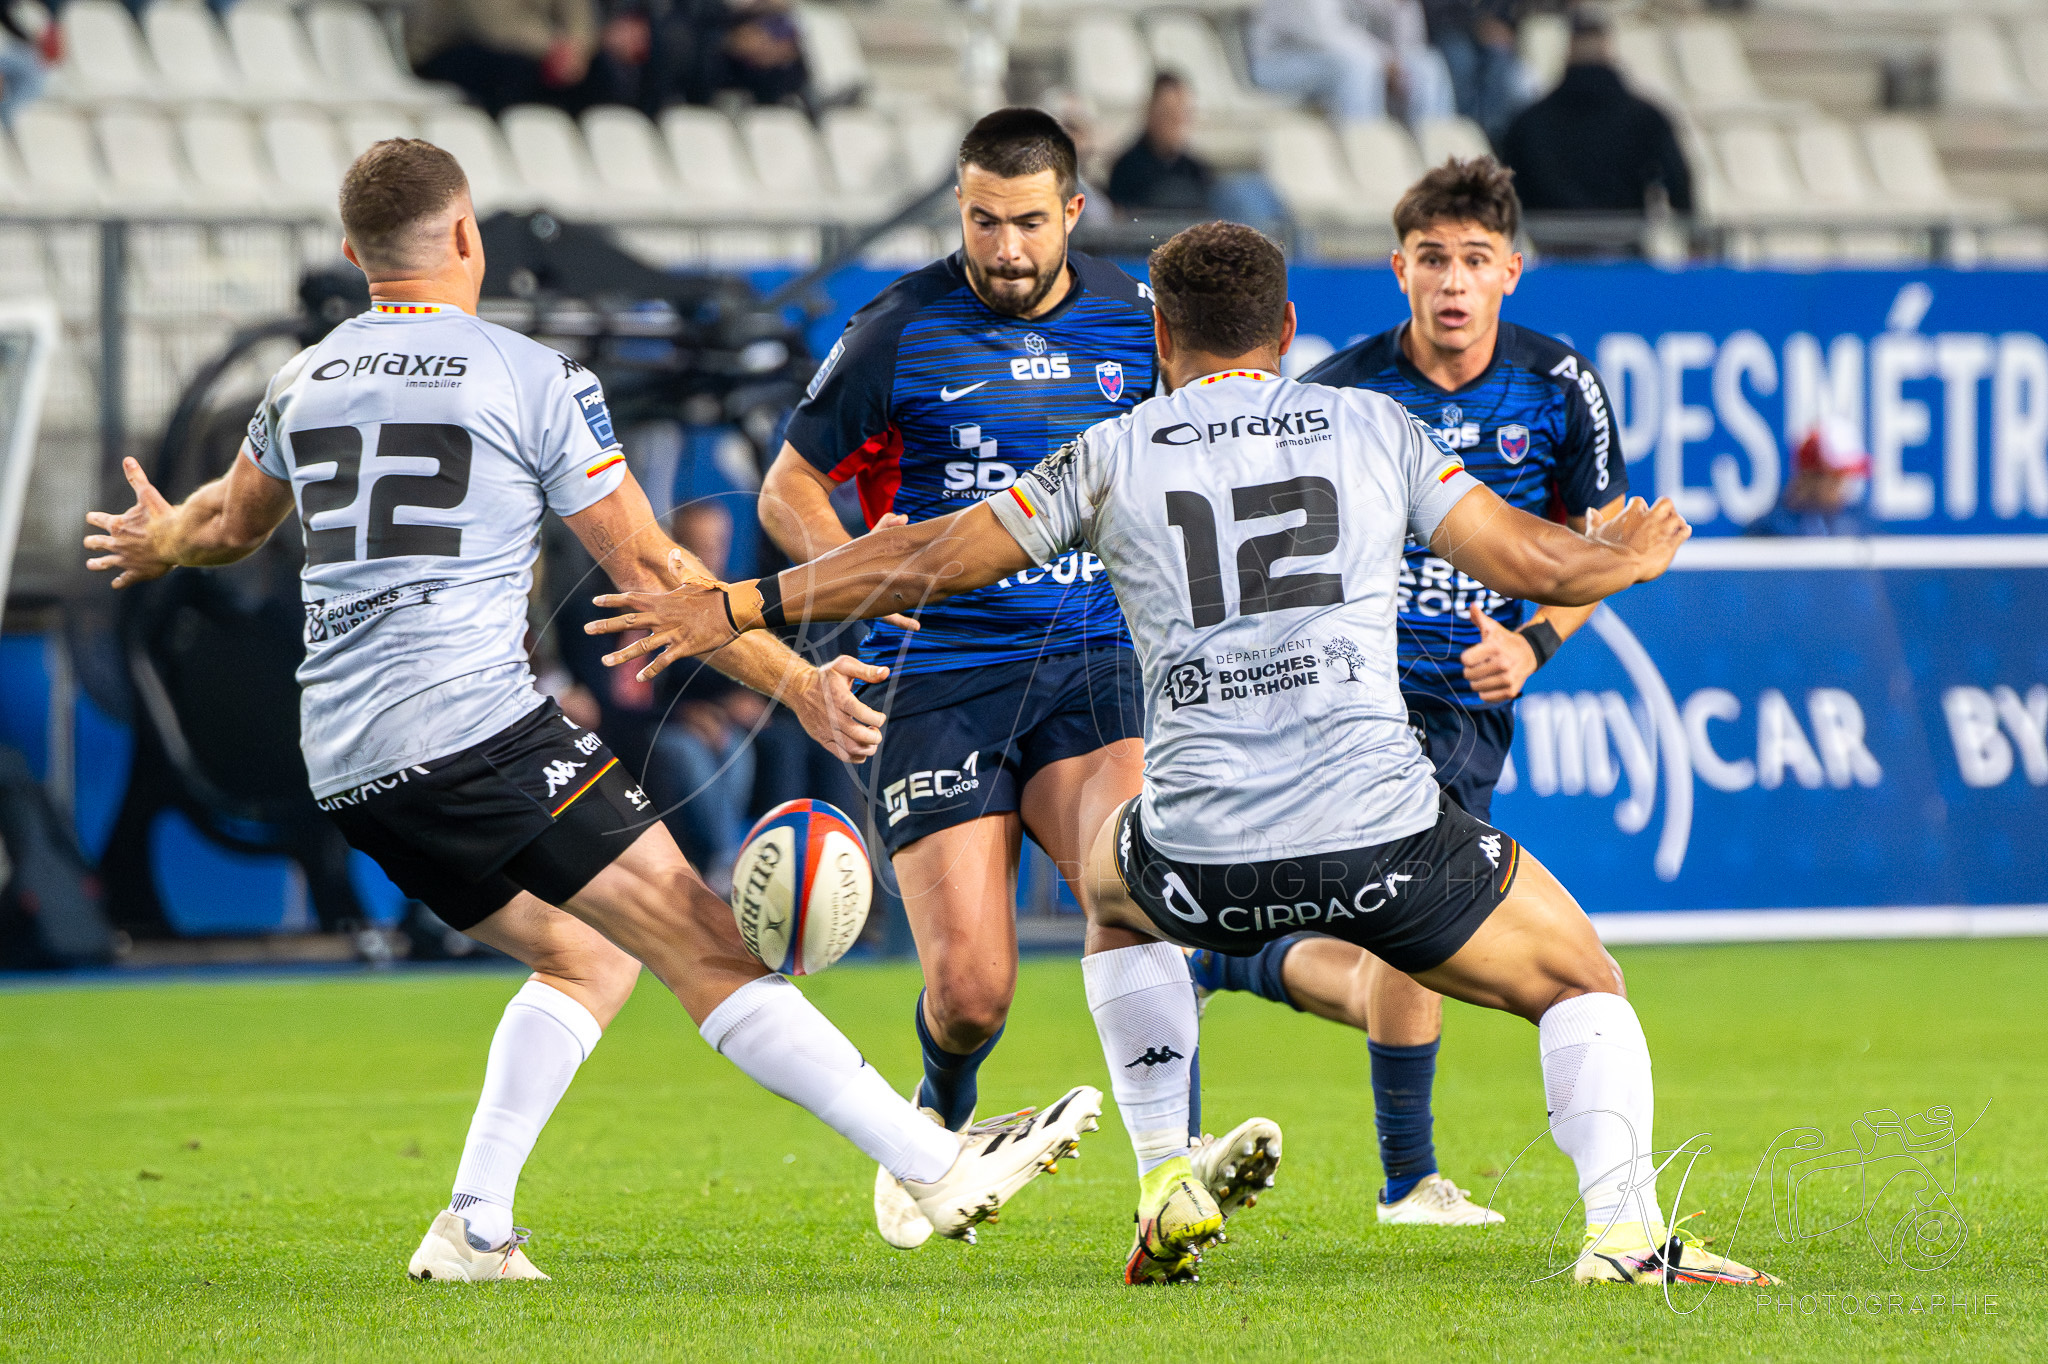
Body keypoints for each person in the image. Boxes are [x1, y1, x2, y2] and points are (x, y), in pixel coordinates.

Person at [591, 219, 1781, 1290]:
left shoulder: (1109, 453)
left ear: (1159, 333)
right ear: (1289, 330)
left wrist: (742, 604)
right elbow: (1537, 565)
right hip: (1378, 833)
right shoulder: (1375, 425)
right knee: (1581, 981)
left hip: (1192, 852)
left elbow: (925, 558)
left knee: (1112, 898)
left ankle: (1164, 1167)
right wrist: (1631, 551)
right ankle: (1622, 1233)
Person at [82, 137, 1102, 1283]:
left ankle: (473, 1222)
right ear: (467, 236)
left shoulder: (304, 377)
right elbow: (660, 573)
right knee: (697, 933)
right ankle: (931, 1161)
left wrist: (152, 536)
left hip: (348, 751)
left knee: (585, 956)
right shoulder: (526, 375)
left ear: (352, 255)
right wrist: (800, 682)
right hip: (469, 724)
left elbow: (223, 525)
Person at [752, 107, 1281, 1275]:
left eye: (1026, 222)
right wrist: (849, 578)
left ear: (1072, 214)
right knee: (972, 992)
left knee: (1132, 887)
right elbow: (788, 487)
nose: (1002, 247)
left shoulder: (1135, 322)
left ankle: (1167, 1170)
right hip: (940, 676)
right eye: (982, 220)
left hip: (1095, 660)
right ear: (960, 208)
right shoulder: (896, 327)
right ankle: (936, 1115)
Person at [1187, 155, 1627, 1226]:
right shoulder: (1336, 392)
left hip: (1467, 702)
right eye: (1432, 256)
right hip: (1345, 698)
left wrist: (1529, 645)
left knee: (1394, 930)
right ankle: (1405, 1179)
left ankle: (1235, 959)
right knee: (1417, 923)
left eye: (1474, 258)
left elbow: (1598, 546)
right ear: (1397, 268)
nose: (1452, 279)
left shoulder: (1559, 386)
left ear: (1509, 273)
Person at [1497, 12, 1693, 215]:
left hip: (1552, 240)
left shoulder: (1527, 122)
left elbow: (1509, 191)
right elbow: (1677, 182)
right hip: (1624, 236)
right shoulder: (1647, 117)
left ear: (1568, 51)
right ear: (1609, 50)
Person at [1249, 0, 1453, 126]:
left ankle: (1433, 163)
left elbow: (1410, 42)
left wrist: (1401, 8)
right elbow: (1324, 32)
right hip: (1278, 63)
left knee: (1427, 64)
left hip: (1338, 58)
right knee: (1360, 66)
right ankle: (1365, 153)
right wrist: (1386, 60)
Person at [407, 0, 620, 117]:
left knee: (602, 71)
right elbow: (494, 26)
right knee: (514, 71)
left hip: (532, 48)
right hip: (447, 48)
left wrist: (576, 50)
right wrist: (555, 48)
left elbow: (580, 16)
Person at [1422, 0, 1533, 143]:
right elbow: (1434, 9)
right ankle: (1465, 137)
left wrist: (1503, 26)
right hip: (1448, 28)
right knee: (1460, 58)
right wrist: (1475, 22)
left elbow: (1505, 8)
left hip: (1487, 30)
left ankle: (1494, 139)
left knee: (1501, 58)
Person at [1743, 420, 1871, 538]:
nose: (1843, 487)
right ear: (1811, 477)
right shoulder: (1772, 530)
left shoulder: (1850, 522)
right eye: (1836, 478)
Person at [1109, 74, 1213, 216]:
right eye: (1169, 114)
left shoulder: (1197, 171)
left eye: (1184, 115)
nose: (1178, 123)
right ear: (1151, 112)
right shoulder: (1127, 169)